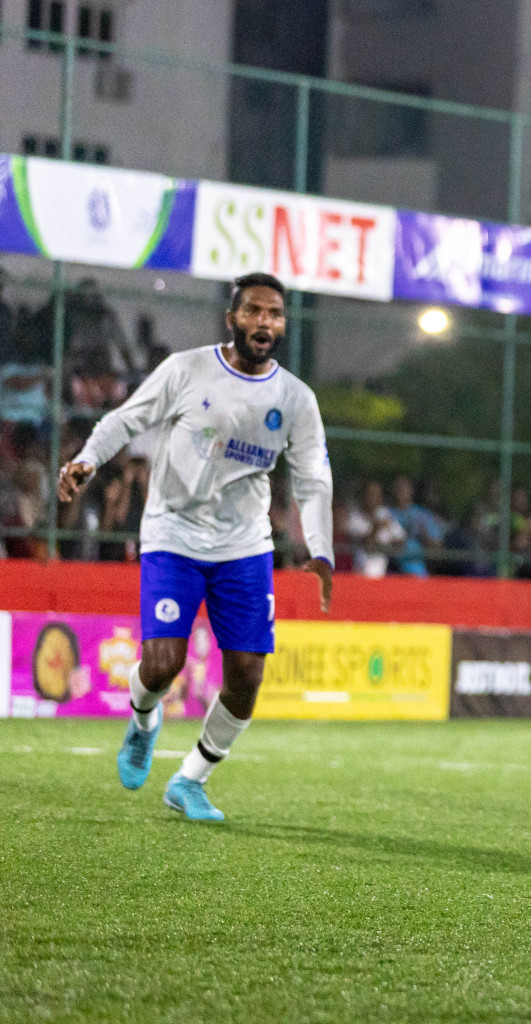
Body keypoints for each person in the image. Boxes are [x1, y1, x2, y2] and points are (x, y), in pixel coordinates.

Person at [58, 272, 334, 823]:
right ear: (232, 318)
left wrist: (320, 548)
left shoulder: (295, 399)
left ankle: (190, 780)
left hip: (243, 546)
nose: (265, 322)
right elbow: (127, 418)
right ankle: (142, 721)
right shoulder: (187, 369)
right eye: (254, 311)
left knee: (248, 674)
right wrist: (87, 459)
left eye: (275, 314)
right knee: (163, 664)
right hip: (173, 534)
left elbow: (313, 479)